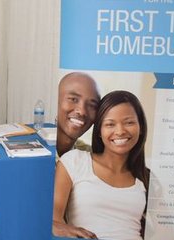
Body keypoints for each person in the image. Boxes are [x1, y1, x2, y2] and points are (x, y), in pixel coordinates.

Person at [53, 90, 149, 240]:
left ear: (141, 127)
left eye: (129, 122)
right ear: (99, 131)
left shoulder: (146, 178)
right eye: (110, 124)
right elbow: (53, 222)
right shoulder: (75, 161)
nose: (120, 131)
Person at [56, 72, 100, 157]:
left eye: (92, 105)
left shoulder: (89, 157)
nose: (82, 111)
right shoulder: (33, 151)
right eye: (73, 99)